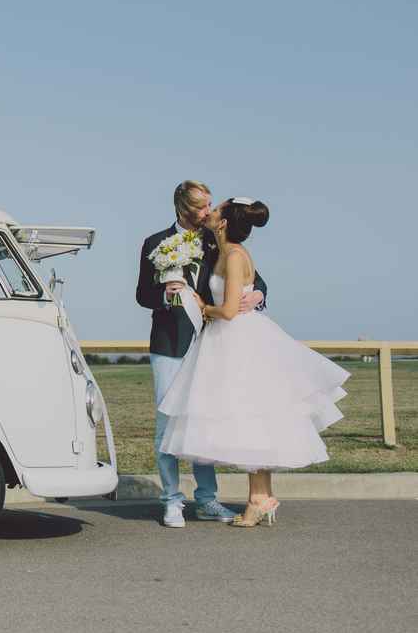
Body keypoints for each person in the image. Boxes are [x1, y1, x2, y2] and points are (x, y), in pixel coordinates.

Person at [158, 199, 349, 527]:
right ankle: (260, 498)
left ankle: (258, 500)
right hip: (226, 340)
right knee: (252, 418)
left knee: (252, 417)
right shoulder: (222, 251)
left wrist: (202, 305)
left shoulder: (233, 256)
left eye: (215, 210)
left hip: (238, 340)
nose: (210, 212)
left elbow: (230, 310)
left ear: (222, 223)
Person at [136, 181, 266, 528]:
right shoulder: (155, 244)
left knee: (202, 421)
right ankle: (171, 501)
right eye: (202, 207)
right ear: (182, 208)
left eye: (210, 205)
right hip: (169, 344)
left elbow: (256, 281)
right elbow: (142, 294)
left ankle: (207, 499)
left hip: (210, 346)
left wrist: (257, 297)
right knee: (167, 425)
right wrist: (166, 295)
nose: (209, 212)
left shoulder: (217, 241)